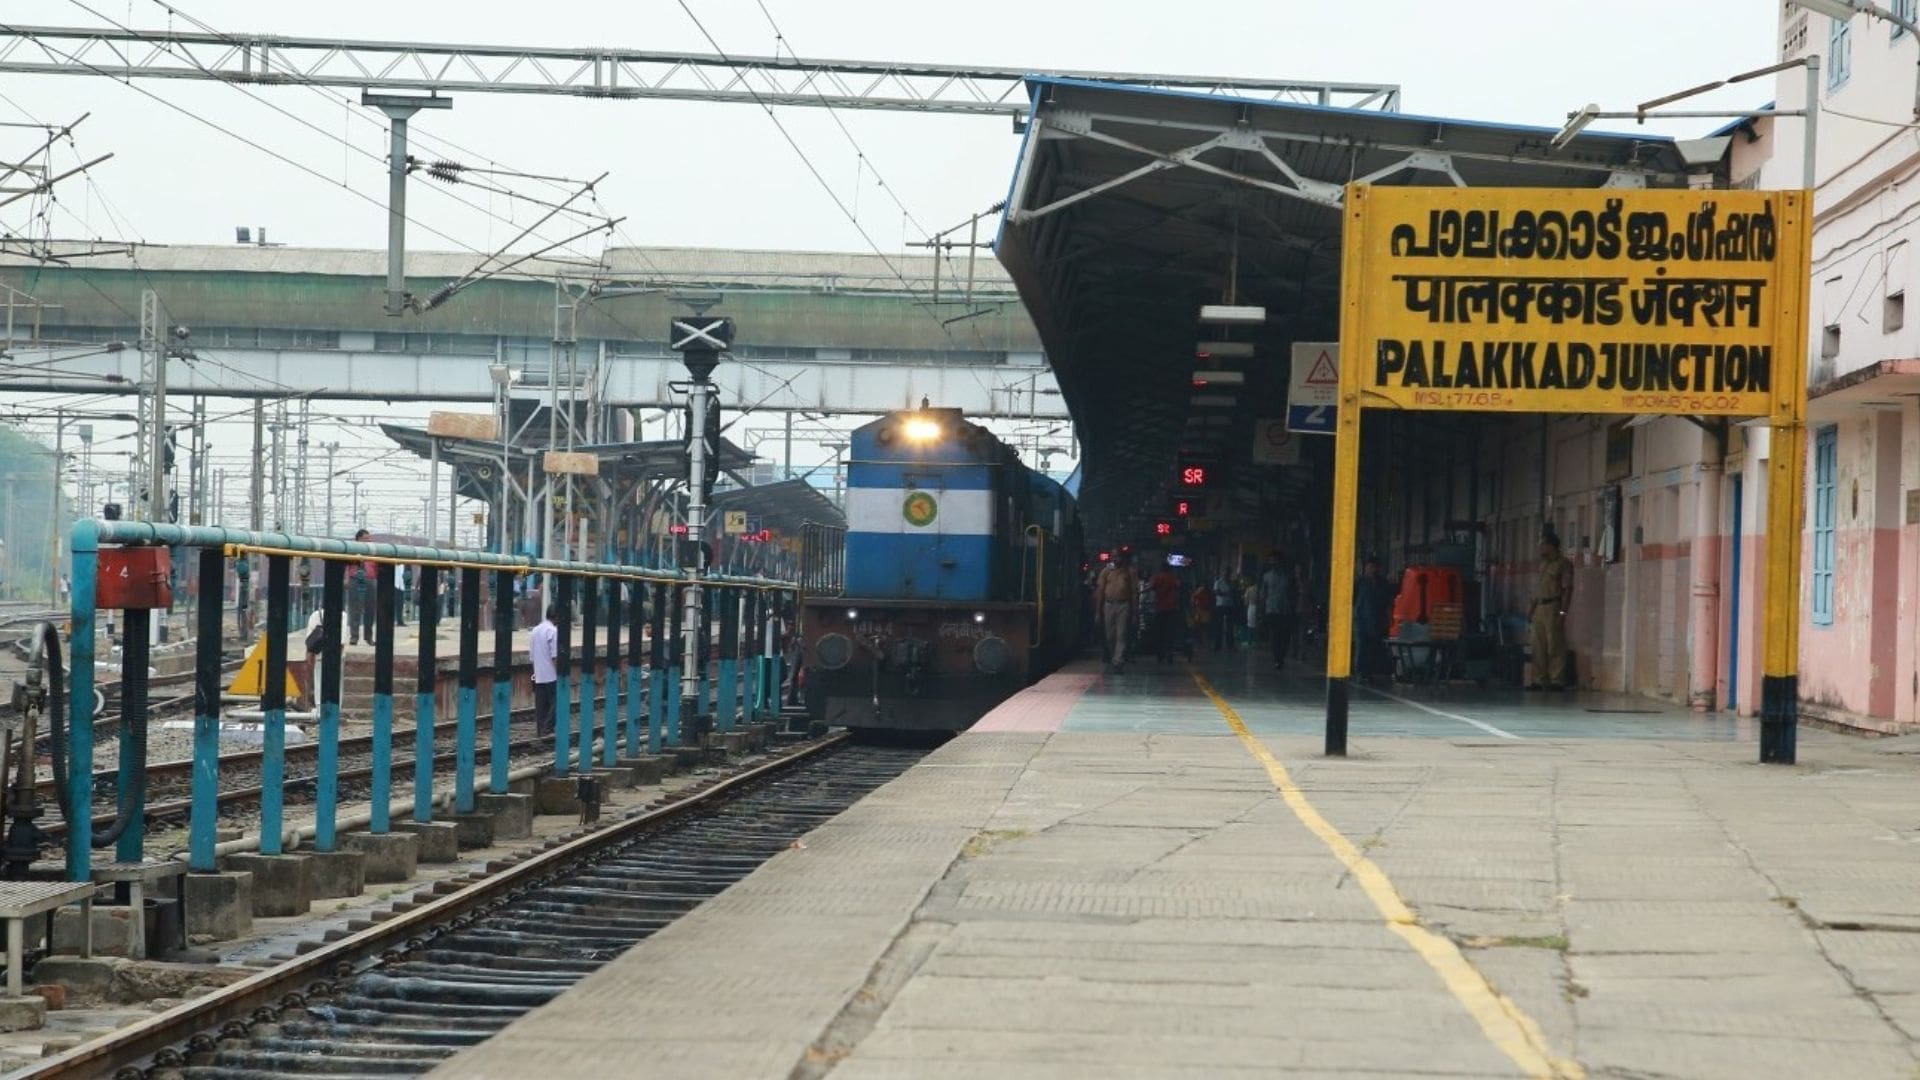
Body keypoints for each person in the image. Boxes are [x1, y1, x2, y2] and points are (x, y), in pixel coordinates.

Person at [1529, 532, 1575, 690]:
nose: (1540, 548)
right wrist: (1531, 609)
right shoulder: (1542, 565)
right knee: (1537, 645)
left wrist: (1563, 613)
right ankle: (1539, 679)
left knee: (1554, 644)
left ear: (1551, 545)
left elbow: (1567, 590)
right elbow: (1537, 589)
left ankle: (1557, 680)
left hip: (1553, 607)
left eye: (1542, 544)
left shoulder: (1563, 564)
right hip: (1539, 608)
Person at [1353, 556, 1395, 680]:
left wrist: (1388, 617)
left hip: (1378, 618)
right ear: (1365, 568)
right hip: (1362, 619)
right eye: (1370, 567)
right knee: (1362, 646)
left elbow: (1388, 601)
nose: (1372, 570)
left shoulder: (1383, 584)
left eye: (1374, 567)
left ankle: (1372, 670)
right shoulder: (1360, 583)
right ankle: (1361, 672)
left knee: (1374, 645)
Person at [1094, 554, 1138, 674]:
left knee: (1121, 634)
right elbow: (1100, 591)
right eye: (1113, 557)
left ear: (1123, 558)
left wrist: (1134, 612)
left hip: (1124, 605)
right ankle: (1114, 656)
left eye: (1118, 556)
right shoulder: (1106, 572)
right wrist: (1098, 611)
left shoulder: (1129, 572)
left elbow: (1134, 593)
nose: (1115, 559)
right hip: (1108, 605)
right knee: (1110, 635)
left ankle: (1118, 661)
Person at [1261, 556, 1296, 670]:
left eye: (1277, 563)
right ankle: (1277, 658)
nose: (1275, 566)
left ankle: (1282, 656)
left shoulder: (1288, 577)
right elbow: (1263, 593)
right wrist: (1262, 610)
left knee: (1284, 635)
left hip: (1285, 610)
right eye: (1273, 563)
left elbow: (1292, 593)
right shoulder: (1266, 577)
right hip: (1272, 609)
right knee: (1275, 635)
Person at [1146, 560, 1182, 662]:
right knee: (1170, 632)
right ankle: (1169, 653)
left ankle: (1160, 654)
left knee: (1159, 632)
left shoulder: (1157, 578)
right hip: (1172, 608)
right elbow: (1178, 588)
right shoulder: (1173, 578)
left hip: (1159, 608)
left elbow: (1150, 588)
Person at [531, 604, 559, 736]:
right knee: (557, 702)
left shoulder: (535, 630)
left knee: (541, 706)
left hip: (538, 674)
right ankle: (547, 729)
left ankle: (541, 731)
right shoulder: (553, 631)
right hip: (551, 675)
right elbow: (555, 656)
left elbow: (532, 656)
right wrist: (561, 673)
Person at [348, 528, 376, 646]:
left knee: (370, 610)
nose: (369, 541)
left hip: (371, 580)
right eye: (365, 539)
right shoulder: (352, 550)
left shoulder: (374, 551)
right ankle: (354, 637)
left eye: (370, 538)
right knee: (355, 609)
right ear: (358, 540)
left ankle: (368, 637)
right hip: (356, 580)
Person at [1211, 570, 1236, 651]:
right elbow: (1216, 592)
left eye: (1228, 574)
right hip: (1220, 605)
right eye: (1226, 573)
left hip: (1230, 605)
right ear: (1223, 574)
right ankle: (1217, 645)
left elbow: (1234, 592)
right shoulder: (1218, 582)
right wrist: (1227, 593)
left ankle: (1230, 646)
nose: (1227, 575)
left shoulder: (1232, 583)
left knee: (1230, 627)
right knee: (1219, 626)